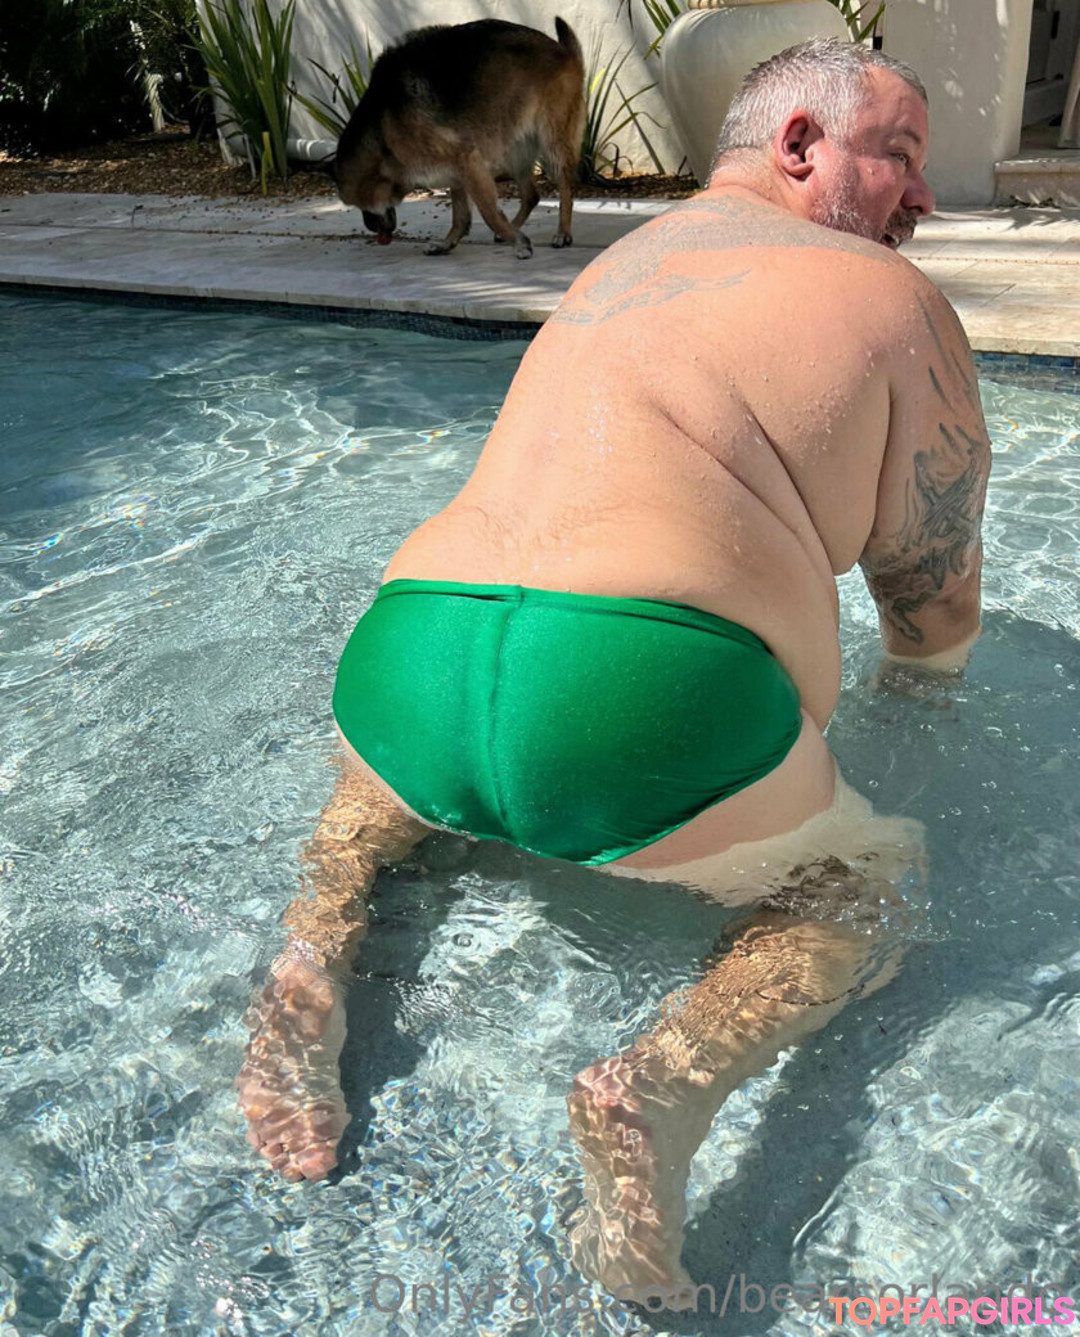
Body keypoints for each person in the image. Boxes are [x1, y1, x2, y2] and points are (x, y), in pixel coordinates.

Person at [238, 37, 991, 1300]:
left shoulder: (617, 265)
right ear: (799, 144)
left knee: (378, 800)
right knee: (871, 885)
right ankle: (662, 1083)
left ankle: (311, 952)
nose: (922, 196)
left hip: (411, 648)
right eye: (901, 157)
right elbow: (934, 621)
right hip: (639, 685)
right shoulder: (892, 298)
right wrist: (892, 725)